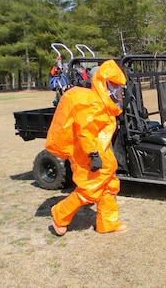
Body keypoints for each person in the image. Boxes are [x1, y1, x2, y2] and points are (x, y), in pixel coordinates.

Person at [45, 59, 128, 236]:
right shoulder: (92, 103)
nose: (116, 90)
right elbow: (85, 131)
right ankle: (59, 214)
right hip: (87, 154)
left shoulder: (102, 104)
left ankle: (107, 223)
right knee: (88, 191)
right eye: (112, 85)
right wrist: (93, 154)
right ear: (102, 83)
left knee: (109, 186)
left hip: (100, 152)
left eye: (117, 86)